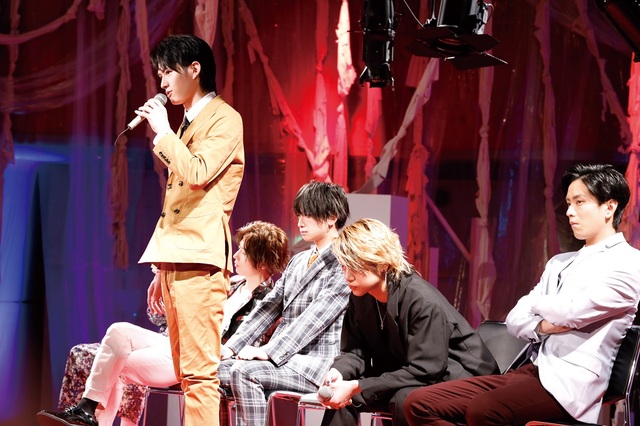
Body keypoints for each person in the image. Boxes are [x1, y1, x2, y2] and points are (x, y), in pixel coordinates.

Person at [403, 163, 640, 426]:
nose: (569, 212)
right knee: (418, 403)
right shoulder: (559, 262)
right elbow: (515, 319)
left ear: (609, 207)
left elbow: (572, 312)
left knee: (485, 410)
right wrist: (542, 325)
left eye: (579, 202)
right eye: (568, 203)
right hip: (529, 371)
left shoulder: (629, 263)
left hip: (570, 384)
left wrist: (535, 303)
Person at [36, 221, 289, 426]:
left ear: (261, 261)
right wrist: (165, 289)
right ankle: (86, 407)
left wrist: (228, 351)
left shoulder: (268, 301)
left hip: (199, 357)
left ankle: (89, 417)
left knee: (118, 363)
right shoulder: (228, 285)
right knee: (118, 331)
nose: (235, 255)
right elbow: (173, 316)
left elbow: (254, 347)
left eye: (243, 251)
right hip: (178, 341)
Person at [141, 33, 243, 426]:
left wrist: (163, 132)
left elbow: (197, 173)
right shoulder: (187, 124)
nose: (162, 81)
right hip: (178, 259)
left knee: (199, 375)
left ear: (194, 69)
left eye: (168, 72)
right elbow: (179, 202)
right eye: (160, 74)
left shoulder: (225, 118)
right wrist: (162, 266)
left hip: (201, 259)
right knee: (185, 373)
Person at [316, 218, 498, 426]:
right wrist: (338, 373)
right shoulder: (360, 298)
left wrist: (358, 386)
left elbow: (426, 369)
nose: (347, 276)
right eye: (343, 266)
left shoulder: (421, 300)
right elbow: (354, 352)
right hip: (414, 375)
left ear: (382, 263)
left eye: (355, 267)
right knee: (342, 396)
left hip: (463, 378)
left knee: (404, 399)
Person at [219, 180, 352, 426]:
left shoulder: (344, 263)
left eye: (308, 214)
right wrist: (232, 347)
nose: (300, 222)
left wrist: (268, 351)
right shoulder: (299, 261)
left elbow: (314, 319)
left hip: (315, 364)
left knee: (243, 372)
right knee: (212, 372)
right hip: (286, 359)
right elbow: (269, 307)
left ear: (331, 218)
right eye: (299, 215)